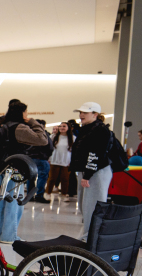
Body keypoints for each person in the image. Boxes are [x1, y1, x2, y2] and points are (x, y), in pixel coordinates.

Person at [0, 101, 48, 243]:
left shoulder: (2, 125)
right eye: (26, 112)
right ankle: (9, 236)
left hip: (0, 169)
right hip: (15, 170)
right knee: (13, 203)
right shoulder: (19, 128)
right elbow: (43, 140)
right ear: (22, 113)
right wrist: (34, 122)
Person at [70, 101, 113, 239]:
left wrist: (87, 175)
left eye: (84, 113)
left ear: (95, 114)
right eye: (80, 112)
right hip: (88, 171)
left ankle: (92, 237)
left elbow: (97, 153)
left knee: (93, 206)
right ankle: (88, 234)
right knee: (85, 206)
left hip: (96, 172)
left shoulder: (99, 130)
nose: (81, 115)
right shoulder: (87, 129)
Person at [45, 121, 72, 201]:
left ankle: (64, 194)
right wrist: (49, 158)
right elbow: (49, 148)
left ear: (68, 128)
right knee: (52, 178)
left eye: (64, 126)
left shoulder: (72, 138)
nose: (62, 128)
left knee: (65, 179)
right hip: (54, 160)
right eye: (60, 126)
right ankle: (47, 193)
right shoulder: (53, 136)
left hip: (66, 161)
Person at [28, 119, 53, 203]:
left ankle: (30, 196)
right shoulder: (45, 134)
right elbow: (50, 147)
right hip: (42, 159)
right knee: (42, 178)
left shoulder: (29, 134)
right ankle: (39, 195)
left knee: (30, 177)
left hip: (31, 159)